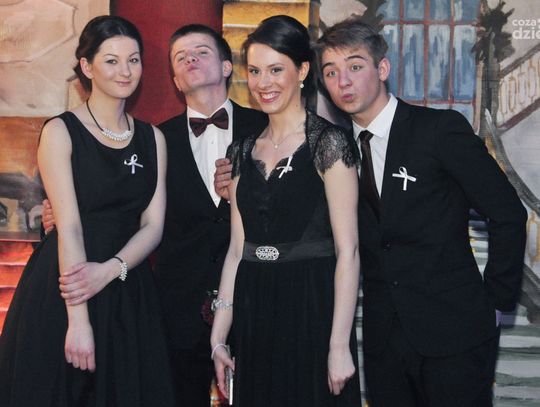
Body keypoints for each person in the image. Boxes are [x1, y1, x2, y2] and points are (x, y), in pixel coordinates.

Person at [44, 23, 268, 407]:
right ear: (175, 80)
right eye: (180, 57)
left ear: (227, 66)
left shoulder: (266, 130)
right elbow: (125, 206)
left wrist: (244, 195)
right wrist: (65, 211)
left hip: (254, 299)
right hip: (174, 308)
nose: (190, 60)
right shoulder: (157, 139)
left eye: (201, 52)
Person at [314, 17, 527, 406]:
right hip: (384, 342)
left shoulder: (438, 129)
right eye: (331, 72)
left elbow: (507, 213)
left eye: (355, 66)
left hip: (456, 331)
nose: (343, 81)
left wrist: (495, 304)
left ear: (382, 69)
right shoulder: (336, 151)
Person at [0, 15, 175, 407]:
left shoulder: (153, 138)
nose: (125, 71)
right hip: (67, 283)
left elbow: (153, 225)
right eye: (111, 60)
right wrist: (78, 320)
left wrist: (111, 270)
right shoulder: (60, 131)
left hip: (128, 285)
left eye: (133, 60)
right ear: (87, 66)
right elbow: (70, 227)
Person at [210, 15, 362, 407]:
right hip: (255, 306)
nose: (264, 83)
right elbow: (237, 250)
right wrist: (219, 336)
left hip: (312, 304)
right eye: (255, 71)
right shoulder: (241, 151)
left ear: (303, 70)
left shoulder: (330, 144)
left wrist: (339, 345)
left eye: (276, 69)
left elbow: (348, 251)